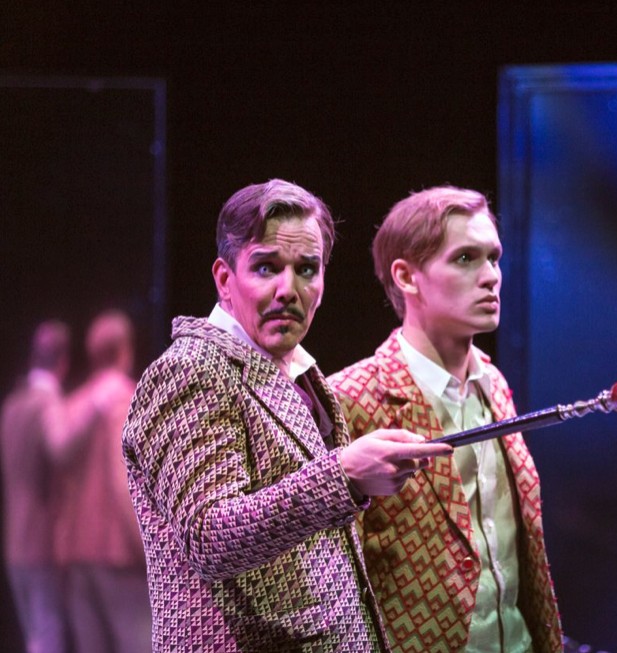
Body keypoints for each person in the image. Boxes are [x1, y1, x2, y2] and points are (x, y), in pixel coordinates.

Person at [121, 179, 451, 652]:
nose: (288, 290)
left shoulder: (300, 371)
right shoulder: (191, 369)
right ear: (224, 279)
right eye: (266, 267)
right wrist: (345, 476)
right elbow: (209, 537)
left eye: (306, 269)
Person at [328, 186, 563, 652]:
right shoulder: (349, 398)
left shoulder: (493, 383)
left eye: (493, 258)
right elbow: (333, 576)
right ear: (407, 276)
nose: (490, 276)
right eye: (465, 259)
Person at [51, 310, 151, 653]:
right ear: (125, 349)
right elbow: (124, 483)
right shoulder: (128, 402)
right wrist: (146, 548)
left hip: (77, 553)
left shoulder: (75, 404)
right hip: (118, 553)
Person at [0, 320, 72, 653]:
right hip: (43, 542)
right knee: (49, 637)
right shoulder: (48, 404)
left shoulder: (11, 405)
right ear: (63, 362)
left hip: (14, 542)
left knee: (35, 638)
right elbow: (60, 450)